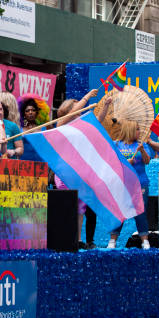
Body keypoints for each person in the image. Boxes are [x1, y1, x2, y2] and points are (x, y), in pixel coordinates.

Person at [54, 91, 101, 248]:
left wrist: (105, 107)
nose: (79, 108)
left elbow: (97, 123)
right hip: (63, 173)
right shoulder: (61, 124)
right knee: (68, 205)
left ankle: (78, 240)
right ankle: (64, 237)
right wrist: (87, 97)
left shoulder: (81, 126)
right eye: (76, 106)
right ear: (68, 109)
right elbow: (75, 112)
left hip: (79, 173)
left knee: (81, 207)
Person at [107, 120, 154, 249]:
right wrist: (126, 163)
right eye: (137, 129)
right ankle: (112, 241)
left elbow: (147, 161)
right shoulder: (116, 144)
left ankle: (145, 241)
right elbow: (112, 163)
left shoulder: (141, 145)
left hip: (140, 184)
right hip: (122, 185)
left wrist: (143, 150)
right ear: (130, 130)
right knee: (119, 212)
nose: (139, 132)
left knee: (140, 213)